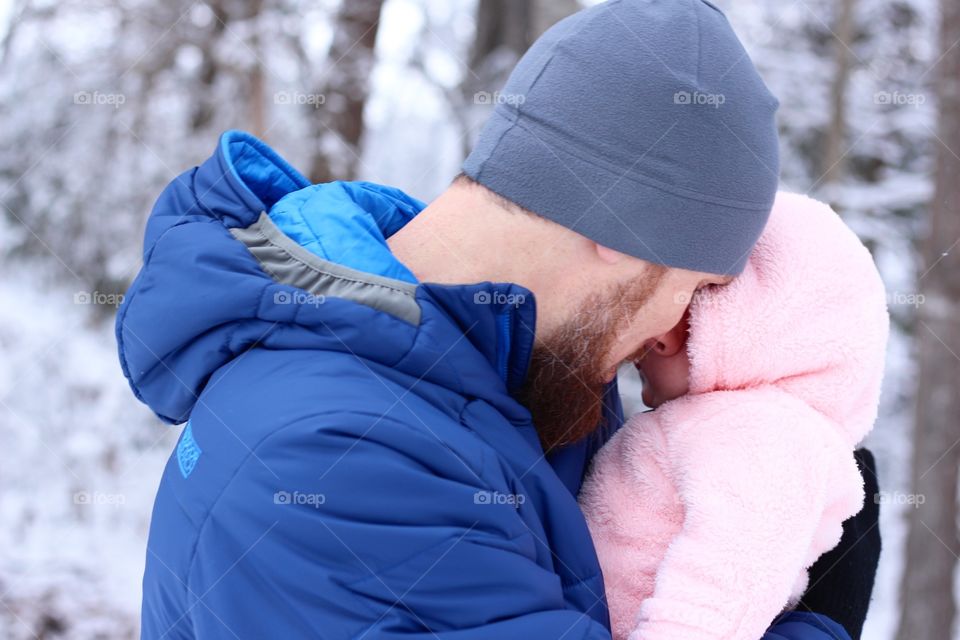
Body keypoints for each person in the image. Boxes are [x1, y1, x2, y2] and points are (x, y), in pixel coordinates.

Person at [116, 0, 880, 638]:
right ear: (617, 230)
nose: (673, 329)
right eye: (693, 285)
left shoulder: (494, 368)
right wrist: (822, 617)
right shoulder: (340, 460)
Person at [579, 192, 889, 640]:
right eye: (656, 292)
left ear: (771, 327)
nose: (656, 333)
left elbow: (719, 595)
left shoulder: (765, 433)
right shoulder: (720, 424)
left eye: (693, 304)